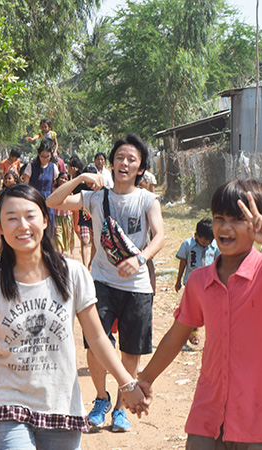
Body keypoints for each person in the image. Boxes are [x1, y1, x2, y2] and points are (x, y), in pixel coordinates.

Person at [0, 184, 147, 448]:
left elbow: (96, 337)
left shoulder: (73, 274)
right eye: (11, 218)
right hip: (7, 403)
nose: (22, 225)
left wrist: (127, 382)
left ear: (45, 220)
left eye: (30, 216)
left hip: (61, 405)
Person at [137, 179, 262, 449]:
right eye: (219, 218)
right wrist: (144, 379)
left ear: (259, 223)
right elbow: (176, 335)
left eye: (238, 219)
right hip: (209, 413)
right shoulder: (200, 281)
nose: (225, 227)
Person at [47, 134, 165, 432]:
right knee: (96, 346)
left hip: (137, 286)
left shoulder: (147, 200)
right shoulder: (96, 197)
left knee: (131, 350)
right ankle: (101, 398)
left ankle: (121, 408)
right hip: (100, 282)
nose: (124, 163)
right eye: (120, 158)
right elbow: (52, 201)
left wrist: (139, 259)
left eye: (131, 160)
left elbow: (160, 236)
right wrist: (82, 179)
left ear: (140, 168)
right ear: (111, 163)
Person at [174, 217, 220, 347]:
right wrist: (178, 281)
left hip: (209, 286)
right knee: (188, 312)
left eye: (209, 240)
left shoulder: (215, 247)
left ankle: (201, 336)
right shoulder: (188, 245)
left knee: (206, 313)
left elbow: (219, 264)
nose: (206, 242)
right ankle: (182, 340)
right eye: (204, 239)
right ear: (196, 235)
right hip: (191, 285)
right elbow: (183, 262)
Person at [22, 138, 59, 233]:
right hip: (34, 199)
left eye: (48, 157)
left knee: (49, 227)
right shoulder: (31, 167)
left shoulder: (53, 168)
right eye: (43, 156)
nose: (45, 159)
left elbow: (56, 184)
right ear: (39, 155)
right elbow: (25, 186)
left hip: (49, 201)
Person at [53, 171, 75, 255]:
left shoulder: (69, 191)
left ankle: (70, 256)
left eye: (66, 179)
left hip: (67, 218)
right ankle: (60, 257)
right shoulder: (53, 190)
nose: (63, 180)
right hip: (56, 218)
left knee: (68, 239)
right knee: (58, 239)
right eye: (61, 178)